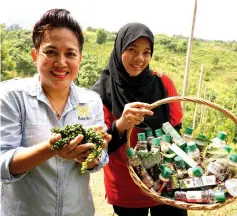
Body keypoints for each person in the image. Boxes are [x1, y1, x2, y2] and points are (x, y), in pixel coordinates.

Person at [0, 9, 111, 216]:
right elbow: (3, 163)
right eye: (51, 52)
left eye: (70, 53)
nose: (61, 62)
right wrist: (52, 148)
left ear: (80, 58)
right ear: (35, 55)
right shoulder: (11, 96)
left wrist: (93, 151)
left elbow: (99, 160)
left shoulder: (92, 100)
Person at [92, 23, 186, 216]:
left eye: (146, 52)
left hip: (167, 180)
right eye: (132, 49)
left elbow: (176, 130)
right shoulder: (101, 93)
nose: (139, 59)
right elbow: (100, 148)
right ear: (119, 49)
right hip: (127, 184)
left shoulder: (162, 84)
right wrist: (121, 125)